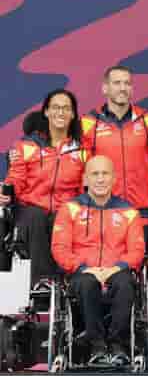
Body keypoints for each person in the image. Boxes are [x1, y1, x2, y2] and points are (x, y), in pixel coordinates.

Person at [50, 156, 145, 366]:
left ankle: (118, 346)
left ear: (114, 178)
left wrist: (115, 268)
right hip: (82, 274)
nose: (100, 179)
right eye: (95, 174)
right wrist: (84, 268)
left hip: (116, 272)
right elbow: (59, 249)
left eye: (105, 174)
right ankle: (97, 346)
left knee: (125, 283)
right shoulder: (70, 209)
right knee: (88, 282)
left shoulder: (129, 211)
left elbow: (137, 251)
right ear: (85, 179)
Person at [2, 89, 89, 282]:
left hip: (65, 211)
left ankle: (69, 284)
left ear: (73, 114)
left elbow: (85, 189)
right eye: (56, 107)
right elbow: (16, 178)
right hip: (30, 210)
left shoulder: (82, 150)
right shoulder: (26, 146)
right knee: (37, 217)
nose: (61, 112)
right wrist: (7, 191)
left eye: (66, 108)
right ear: (46, 112)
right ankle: (41, 284)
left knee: (63, 218)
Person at [80, 66, 148, 218]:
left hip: (140, 209)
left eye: (127, 83)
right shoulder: (88, 122)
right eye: (117, 83)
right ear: (105, 88)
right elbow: (81, 168)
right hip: (102, 210)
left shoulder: (146, 119)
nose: (123, 88)